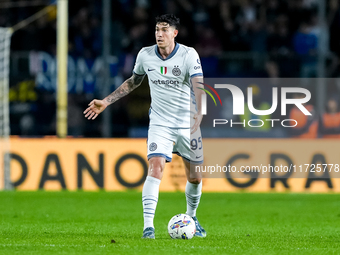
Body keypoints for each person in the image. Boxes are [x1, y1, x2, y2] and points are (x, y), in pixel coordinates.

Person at [83, 14, 206, 239]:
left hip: (187, 122)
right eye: (157, 29)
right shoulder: (145, 55)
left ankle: (192, 216)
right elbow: (134, 81)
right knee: (156, 167)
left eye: (165, 30)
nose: (160, 34)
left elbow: (199, 84)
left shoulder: (189, 55)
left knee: (196, 177)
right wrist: (106, 101)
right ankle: (148, 227)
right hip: (160, 122)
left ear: (175, 33)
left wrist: (200, 110)